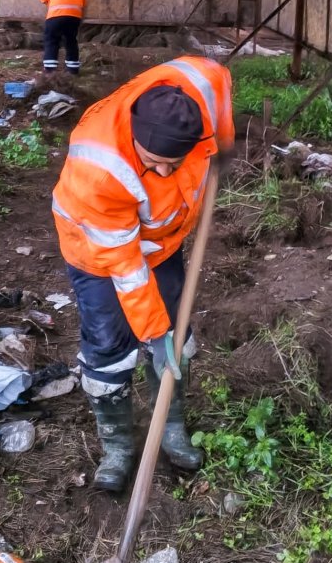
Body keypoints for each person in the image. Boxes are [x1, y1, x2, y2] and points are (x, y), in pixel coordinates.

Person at [52, 56, 234, 492]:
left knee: (176, 333)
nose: (167, 172)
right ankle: (117, 444)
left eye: (177, 161)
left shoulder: (202, 87)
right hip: (97, 251)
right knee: (110, 341)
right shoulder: (100, 171)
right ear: (135, 137)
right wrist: (153, 333)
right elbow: (127, 268)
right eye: (155, 162)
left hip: (162, 240)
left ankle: (170, 424)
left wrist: (223, 146)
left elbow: (219, 84)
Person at [37, 0, 86, 77]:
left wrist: (45, 0)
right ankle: (73, 71)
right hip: (75, 14)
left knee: (51, 39)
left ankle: (49, 72)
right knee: (71, 40)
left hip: (57, 12)